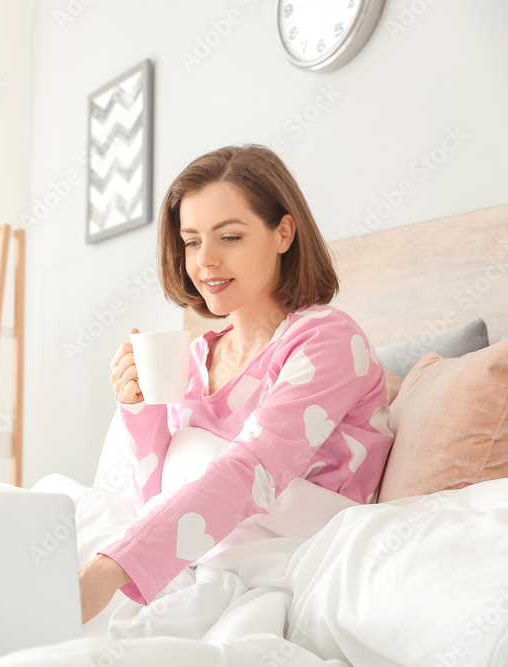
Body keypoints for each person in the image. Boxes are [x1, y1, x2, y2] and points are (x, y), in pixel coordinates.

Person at [78, 144, 394, 624]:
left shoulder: (328, 339)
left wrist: (109, 571)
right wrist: (140, 412)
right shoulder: (198, 353)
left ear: (283, 233)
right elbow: (157, 498)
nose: (205, 260)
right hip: (198, 553)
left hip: (295, 552)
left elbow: (253, 468)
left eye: (228, 237)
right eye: (190, 241)